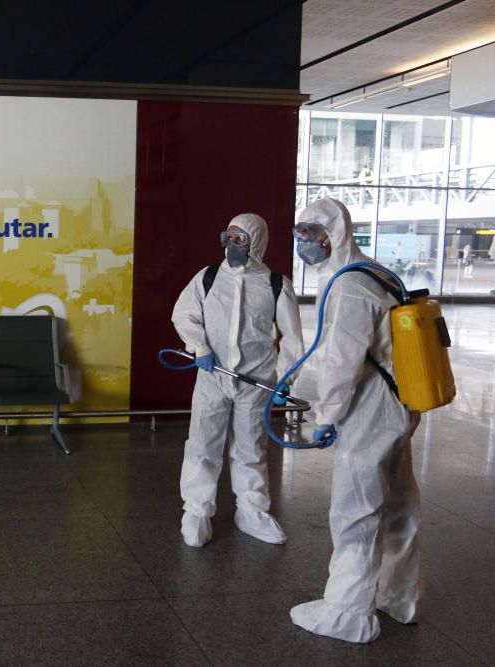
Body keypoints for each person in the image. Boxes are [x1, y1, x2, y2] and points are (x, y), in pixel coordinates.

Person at [290, 197, 422, 643]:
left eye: (312, 233)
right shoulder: (375, 271)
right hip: (403, 401)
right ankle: (397, 596)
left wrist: (327, 415)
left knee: (356, 509)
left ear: (336, 233)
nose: (305, 243)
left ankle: (349, 611)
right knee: (399, 502)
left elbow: (342, 362)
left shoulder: (348, 286)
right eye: (300, 233)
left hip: (372, 408)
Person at [171, 213, 304, 548]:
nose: (231, 245)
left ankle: (252, 512)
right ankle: (197, 512)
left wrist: (285, 379)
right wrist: (199, 345)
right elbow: (183, 313)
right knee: (202, 445)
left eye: (239, 239)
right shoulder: (208, 277)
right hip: (213, 376)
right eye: (227, 238)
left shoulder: (276, 284)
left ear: (255, 243)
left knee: (251, 449)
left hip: (255, 381)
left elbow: (292, 338)